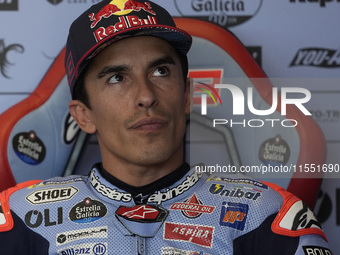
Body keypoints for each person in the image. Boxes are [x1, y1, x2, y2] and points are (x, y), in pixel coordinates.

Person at [0, 0, 333, 254]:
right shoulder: (19, 220)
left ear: (187, 95)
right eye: (117, 78)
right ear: (83, 115)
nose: (146, 96)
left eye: (160, 72)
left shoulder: (271, 216)